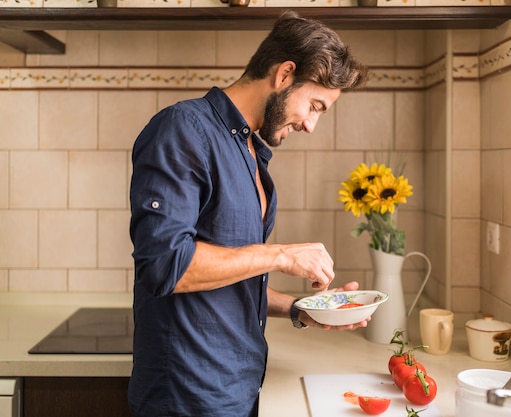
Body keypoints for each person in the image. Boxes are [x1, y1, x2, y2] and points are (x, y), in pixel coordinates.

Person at [128, 11, 369, 417]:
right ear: (285, 74)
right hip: (187, 397)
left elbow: (227, 283)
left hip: (237, 389)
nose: (310, 125)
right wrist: (281, 255)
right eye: (314, 106)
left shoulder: (249, 152)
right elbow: (164, 265)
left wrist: (298, 309)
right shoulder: (183, 129)